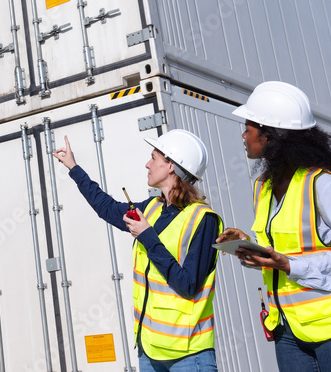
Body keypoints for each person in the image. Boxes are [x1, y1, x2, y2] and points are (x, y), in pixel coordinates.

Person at [216, 81, 331, 370]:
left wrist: (291, 265)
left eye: (248, 128)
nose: (243, 135)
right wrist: (248, 243)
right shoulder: (263, 187)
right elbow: (284, 250)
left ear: (270, 135)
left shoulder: (322, 183)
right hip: (288, 329)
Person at [54, 129, 222, 372]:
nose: (147, 164)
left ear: (171, 166)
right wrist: (73, 168)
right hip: (149, 350)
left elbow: (187, 284)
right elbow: (106, 208)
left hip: (188, 354)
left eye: (153, 158)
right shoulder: (152, 209)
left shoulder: (203, 219)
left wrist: (147, 236)